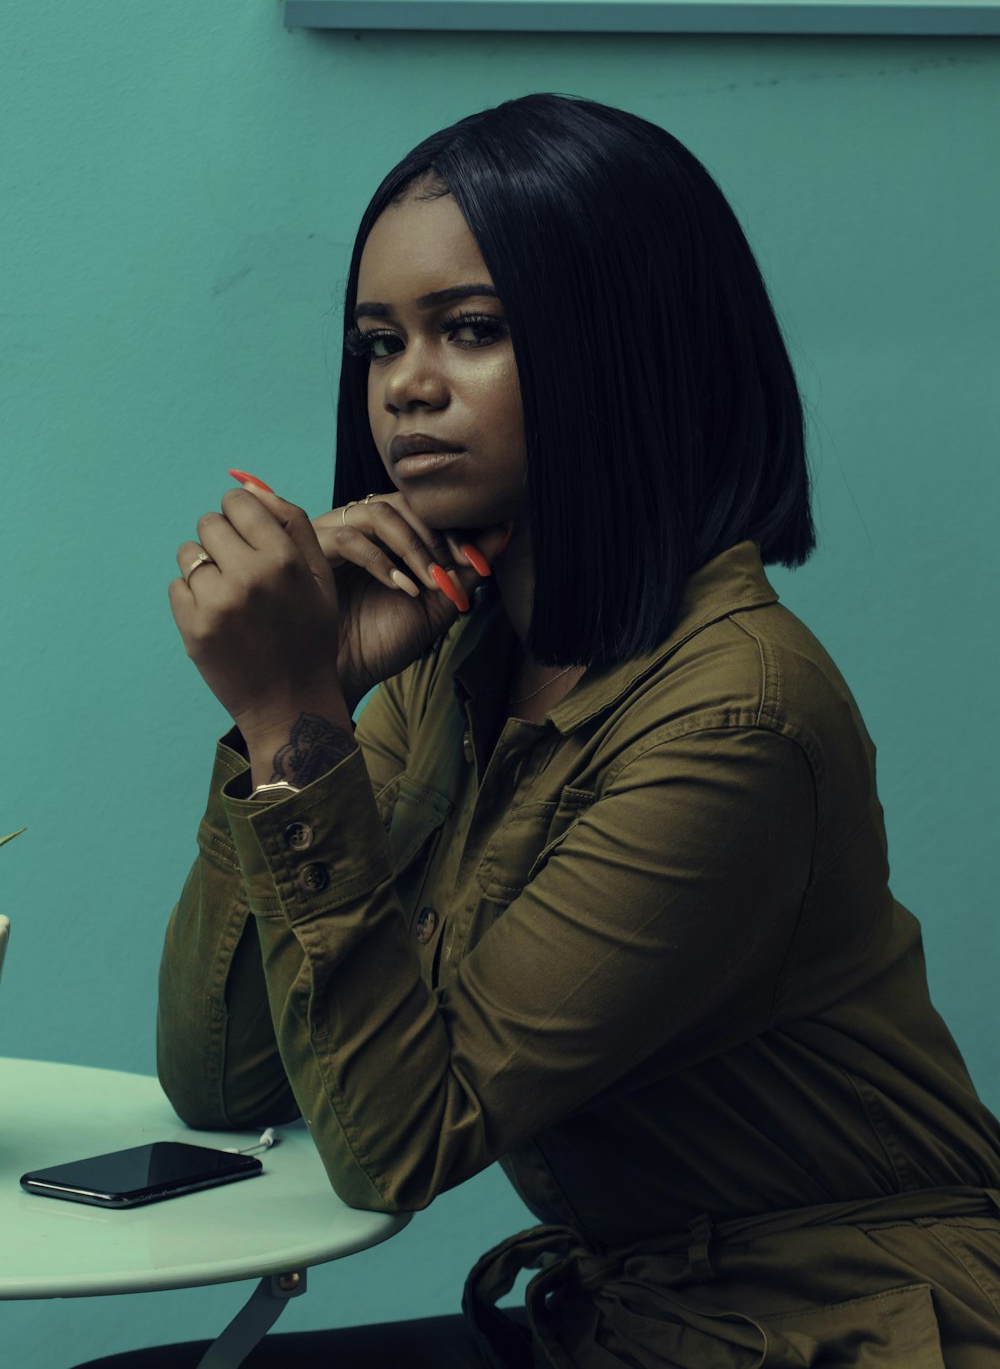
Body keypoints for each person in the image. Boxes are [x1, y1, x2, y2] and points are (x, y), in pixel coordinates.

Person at [77, 94, 1000, 1367]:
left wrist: (287, 706)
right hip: (628, 1315)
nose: (406, 387)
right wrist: (294, 718)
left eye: (473, 332)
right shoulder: (456, 659)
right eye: (378, 341)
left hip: (842, 1325)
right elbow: (225, 1081)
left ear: (630, 347)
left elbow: (396, 1149)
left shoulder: (736, 719)